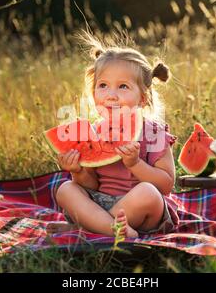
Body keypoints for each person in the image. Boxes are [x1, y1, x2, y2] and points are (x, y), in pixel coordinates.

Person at [48, 33, 179, 238]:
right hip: (99, 204)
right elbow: (92, 185)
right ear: (93, 93)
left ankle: (90, 228)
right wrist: (78, 171)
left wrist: (135, 164)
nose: (111, 95)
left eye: (123, 86)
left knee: (148, 192)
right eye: (103, 86)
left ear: (143, 98)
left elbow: (166, 184)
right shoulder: (94, 132)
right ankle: (113, 229)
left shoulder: (154, 132)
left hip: (142, 211)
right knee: (65, 189)